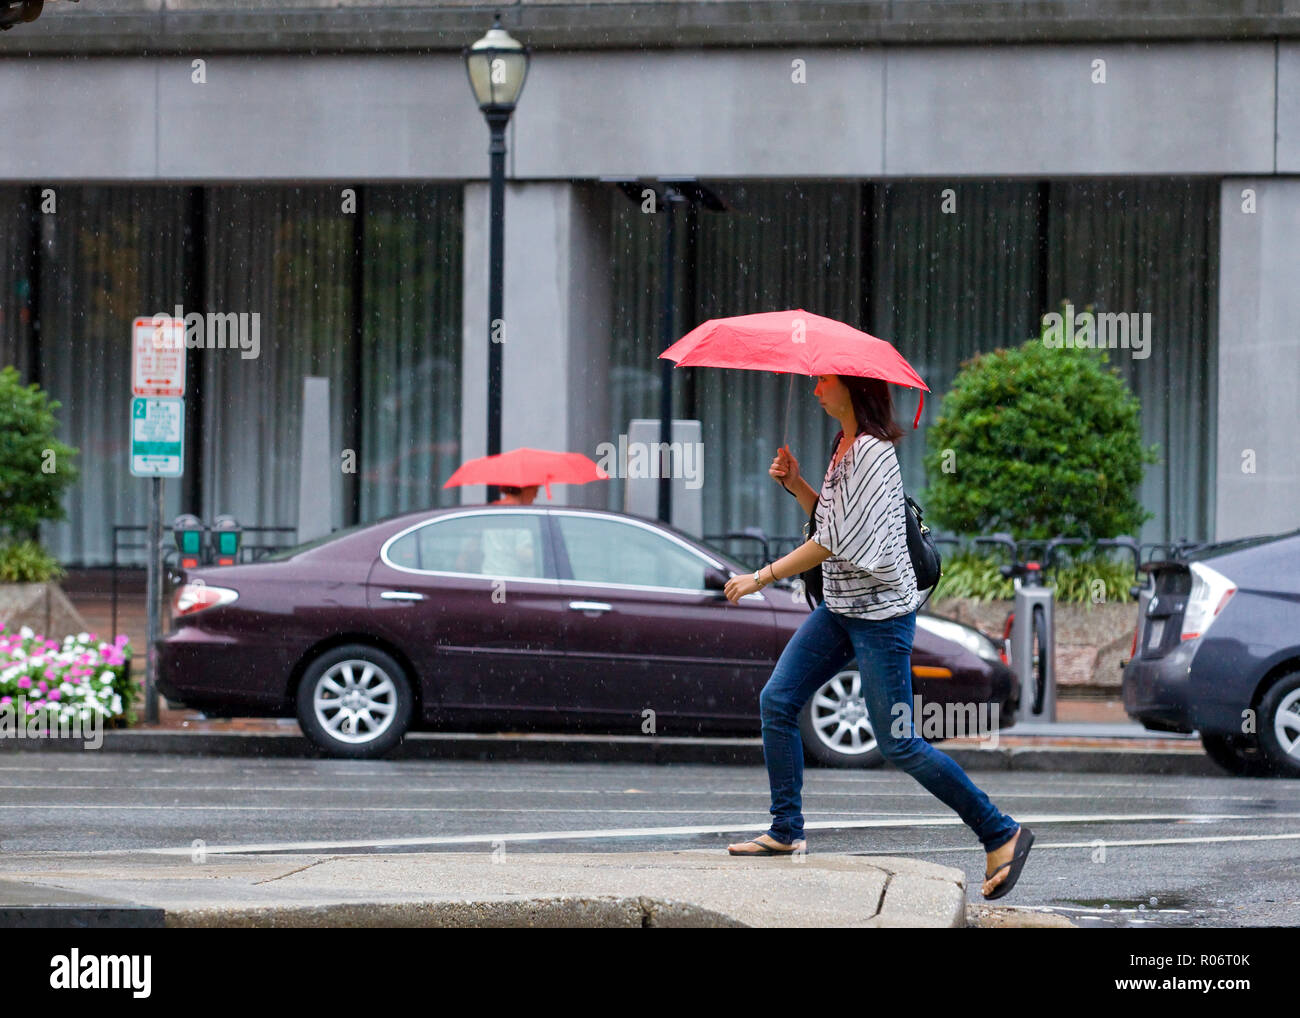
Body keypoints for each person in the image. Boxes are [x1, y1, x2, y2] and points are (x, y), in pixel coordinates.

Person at [722, 373, 1034, 901]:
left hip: (882, 616)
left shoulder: (872, 453)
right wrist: (797, 484)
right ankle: (785, 829)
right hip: (841, 608)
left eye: (825, 381)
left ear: (853, 389)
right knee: (777, 700)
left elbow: (833, 540)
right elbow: (830, 522)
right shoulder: (842, 446)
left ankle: (1001, 832)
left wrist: (760, 578)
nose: (816, 389)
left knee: (899, 742)